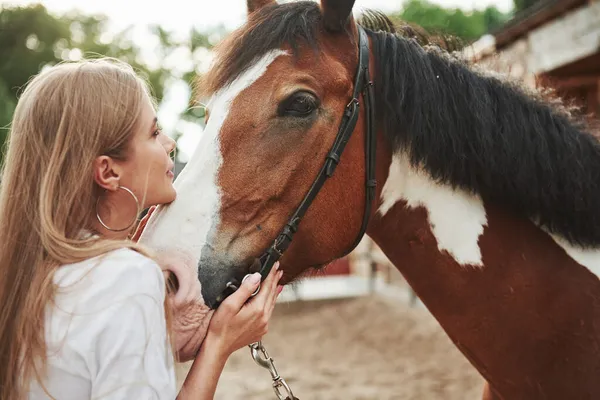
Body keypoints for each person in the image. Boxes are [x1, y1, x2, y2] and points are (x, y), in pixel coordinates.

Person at [0, 58, 283, 400]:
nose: (170, 143)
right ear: (108, 172)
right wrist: (219, 344)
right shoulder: (126, 278)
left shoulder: (21, 274)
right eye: (153, 132)